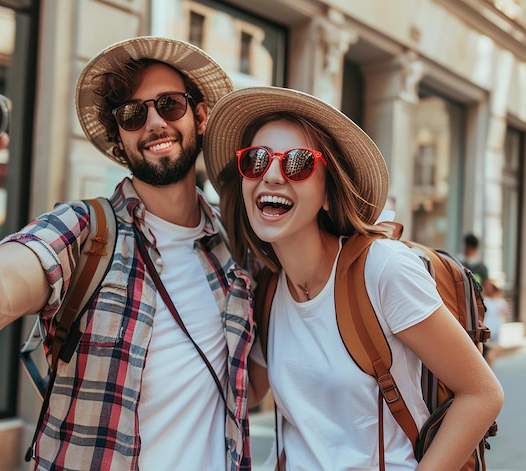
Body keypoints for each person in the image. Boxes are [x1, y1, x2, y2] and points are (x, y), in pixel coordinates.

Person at [0, 36, 255, 470]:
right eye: (131, 113)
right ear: (118, 138)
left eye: (169, 105)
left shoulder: (235, 240)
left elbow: (244, 384)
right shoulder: (84, 230)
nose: (153, 123)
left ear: (200, 117)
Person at [203, 86, 504, 470]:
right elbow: (244, 396)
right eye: (256, 161)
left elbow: (481, 393)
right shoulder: (266, 291)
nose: (272, 176)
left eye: (297, 163)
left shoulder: (382, 269)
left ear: (328, 193)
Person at [482, 275, 508, 367]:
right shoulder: (502, 303)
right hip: (495, 330)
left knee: (487, 356)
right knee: (490, 355)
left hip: (487, 330)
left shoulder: (486, 302)